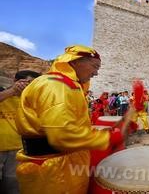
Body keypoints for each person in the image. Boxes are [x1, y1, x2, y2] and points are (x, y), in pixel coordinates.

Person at [15, 45, 124, 194]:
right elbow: (63, 135)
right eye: (95, 66)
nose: (96, 73)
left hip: (65, 162)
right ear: (75, 62)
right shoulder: (55, 86)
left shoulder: (69, 86)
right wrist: (109, 137)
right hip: (52, 168)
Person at [0, 70, 40, 194]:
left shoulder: (31, 101)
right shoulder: (4, 93)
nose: (29, 86)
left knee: (13, 185)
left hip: (18, 150)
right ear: (16, 81)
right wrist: (13, 91)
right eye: (27, 82)